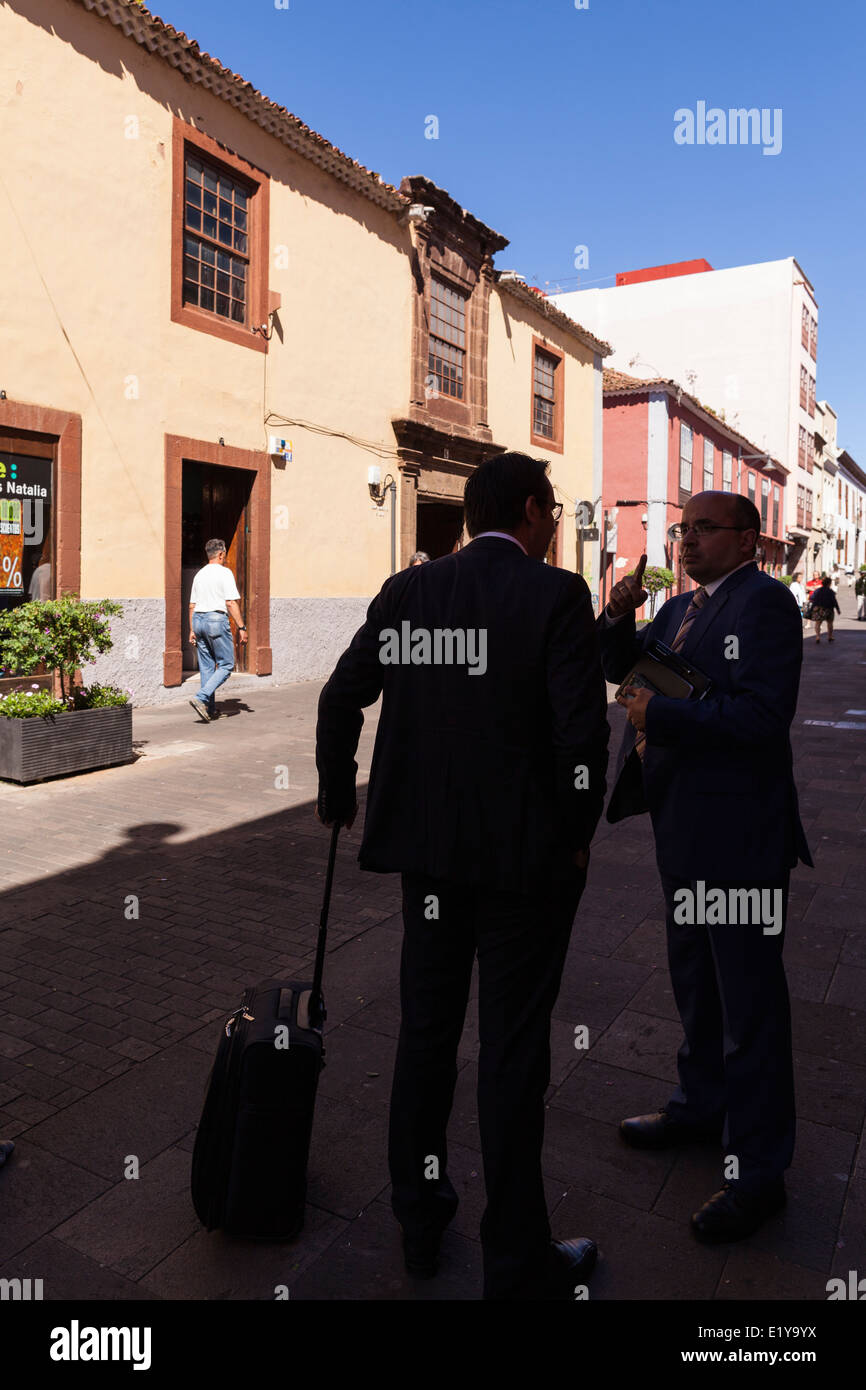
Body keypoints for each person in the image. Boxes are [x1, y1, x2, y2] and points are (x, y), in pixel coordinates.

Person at [316, 451, 610, 1300]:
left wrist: (338, 791)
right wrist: (579, 834)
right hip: (525, 865)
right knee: (513, 1053)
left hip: (432, 860)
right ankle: (516, 1259)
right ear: (527, 509)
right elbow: (580, 741)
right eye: (551, 508)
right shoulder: (555, 595)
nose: (555, 521)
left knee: (426, 1034)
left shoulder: (411, 592)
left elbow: (342, 697)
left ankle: (418, 1217)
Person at [600, 491, 812, 1244]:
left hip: (740, 839)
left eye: (703, 529)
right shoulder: (681, 609)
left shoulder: (766, 606)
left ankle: (759, 1172)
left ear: (748, 538)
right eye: (681, 529)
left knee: (749, 1000)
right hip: (682, 825)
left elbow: (761, 718)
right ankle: (700, 1106)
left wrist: (664, 716)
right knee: (694, 975)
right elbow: (619, 669)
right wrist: (620, 614)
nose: (686, 541)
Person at [187, 539, 248, 721]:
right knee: (227, 664)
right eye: (224, 555)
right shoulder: (225, 573)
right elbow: (230, 602)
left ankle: (209, 709)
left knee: (206, 667)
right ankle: (201, 696)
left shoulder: (199, 575)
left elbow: (192, 605)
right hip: (215, 620)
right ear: (221, 554)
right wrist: (242, 627)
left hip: (198, 619)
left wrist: (192, 630)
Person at [810, 576, 840, 644]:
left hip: (818, 609)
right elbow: (834, 601)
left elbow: (812, 598)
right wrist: (838, 609)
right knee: (830, 623)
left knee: (818, 623)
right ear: (829, 583)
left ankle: (817, 636)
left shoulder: (817, 590)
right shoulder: (831, 591)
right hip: (828, 609)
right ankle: (830, 636)